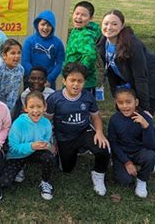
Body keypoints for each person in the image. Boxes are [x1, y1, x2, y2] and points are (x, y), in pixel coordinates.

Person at [46, 62, 110, 196]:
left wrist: (99, 132)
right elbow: (47, 121)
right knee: (67, 169)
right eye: (72, 80)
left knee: (103, 148)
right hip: (64, 137)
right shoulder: (54, 99)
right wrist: (50, 140)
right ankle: (72, 151)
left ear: (84, 82)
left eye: (80, 81)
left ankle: (98, 175)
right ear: (64, 81)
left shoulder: (88, 97)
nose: (76, 84)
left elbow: (96, 116)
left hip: (83, 131)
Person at [97, 9, 155, 115]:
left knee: (141, 116)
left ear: (122, 26)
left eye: (114, 24)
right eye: (106, 23)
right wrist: (116, 95)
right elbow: (111, 72)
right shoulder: (103, 44)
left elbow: (141, 77)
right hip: (131, 80)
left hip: (153, 79)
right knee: (125, 111)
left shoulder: (133, 45)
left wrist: (144, 108)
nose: (109, 27)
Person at [0, 91, 55, 200]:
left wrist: (48, 146)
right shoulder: (18, 124)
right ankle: (21, 166)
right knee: (4, 182)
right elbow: (13, 148)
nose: (35, 110)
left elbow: (46, 141)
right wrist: (31, 146)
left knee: (49, 158)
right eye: (32, 107)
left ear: (45, 107)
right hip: (17, 155)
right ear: (25, 108)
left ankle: (46, 181)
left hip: (36, 152)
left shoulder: (46, 123)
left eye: (39, 106)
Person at [108, 88, 155, 198]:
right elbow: (113, 143)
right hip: (122, 154)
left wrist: (146, 127)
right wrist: (127, 162)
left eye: (128, 102)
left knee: (151, 157)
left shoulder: (145, 118)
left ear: (136, 102)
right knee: (125, 181)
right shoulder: (114, 119)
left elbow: (151, 146)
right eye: (120, 103)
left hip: (138, 152)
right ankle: (122, 166)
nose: (125, 106)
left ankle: (142, 180)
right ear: (116, 103)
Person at [65, 1, 102, 95]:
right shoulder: (76, 30)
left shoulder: (86, 35)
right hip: (73, 78)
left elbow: (90, 55)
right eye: (77, 13)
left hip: (82, 83)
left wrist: (78, 74)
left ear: (91, 18)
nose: (79, 17)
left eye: (83, 15)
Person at [21, 10, 65, 89]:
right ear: (37, 25)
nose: (45, 27)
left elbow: (60, 63)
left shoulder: (58, 43)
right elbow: (25, 61)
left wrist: (49, 79)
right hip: (31, 80)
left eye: (49, 25)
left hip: (48, 81)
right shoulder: (29, 41)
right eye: (43, 24)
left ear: (53, 27)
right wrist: (35, 78)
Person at [0, 39, 24, 112]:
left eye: (19, 53)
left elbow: (14, 93)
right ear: (4, 55)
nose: (17, 56)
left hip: (7, 105)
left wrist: (7, 111)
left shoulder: (20, 70)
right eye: (13, 53)